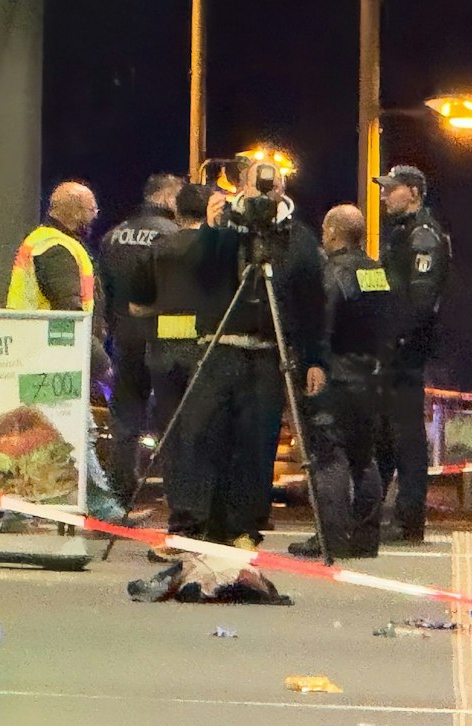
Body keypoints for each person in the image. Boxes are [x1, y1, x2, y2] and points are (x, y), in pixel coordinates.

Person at [139, 159, 324, 554]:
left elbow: (311, 304)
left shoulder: (299, 238)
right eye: (256, 185)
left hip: (267, 353)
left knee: (255, 446)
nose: (263, 193)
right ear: (240, 185)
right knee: (197, 438)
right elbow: (198, 276)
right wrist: (211, 229)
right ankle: (188, 527)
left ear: (281, 189)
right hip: (216, 347)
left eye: (270, 186)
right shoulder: (222, 228)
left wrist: (313, 358)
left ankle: (243, 530)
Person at [6, 181, 125, 522]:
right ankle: (103, 509)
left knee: (41, 432)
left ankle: (17, 514)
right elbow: (69, 310)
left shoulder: (48, 243)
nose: (94, 216)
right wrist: (101, 362)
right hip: (52, 352)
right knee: (77, 428)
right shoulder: (56, 248)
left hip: (38, 349)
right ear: (74, 211)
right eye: (92, 210)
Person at [288, 205, 400, 560]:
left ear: (334, 233)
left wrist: (313, 363)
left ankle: (330, 537)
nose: (322, 235)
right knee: (363, 458)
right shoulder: (377, 272)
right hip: (371, 376)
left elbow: (322, 322)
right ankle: (366, 538)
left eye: (324, 228)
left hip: (334, 375)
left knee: (328, 457)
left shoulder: (333, 272)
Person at [127, 181, 224, 557]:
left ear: (178, 212)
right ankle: (211, 522)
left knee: (175, 438)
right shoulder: (222, 251)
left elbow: (137, 307)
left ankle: (182, 521)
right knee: (211, 436)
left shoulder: (156, 251)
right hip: (211, 352)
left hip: (165, 354)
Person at [371, 164, 451, 544]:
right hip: (394, 348)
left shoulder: (422, 237)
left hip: (404, 350)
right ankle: (377, 514)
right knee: (387, 435)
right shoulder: (403, 234)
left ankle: (408, 518)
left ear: (414, 193)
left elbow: (418, 300)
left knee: (405, 436)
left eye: (392, 189)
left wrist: (396, 340)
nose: (385, 195)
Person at [99, 173, 183, 499]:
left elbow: (103, 292)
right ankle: (177, 496)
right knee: (171, 418)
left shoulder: (112, 236)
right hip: (165, 339)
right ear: (165, 198)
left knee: (125, 418)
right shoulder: (174, 237)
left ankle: (121, 490)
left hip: (124, 338)